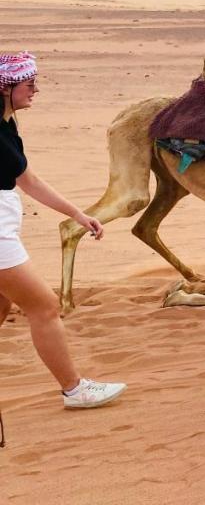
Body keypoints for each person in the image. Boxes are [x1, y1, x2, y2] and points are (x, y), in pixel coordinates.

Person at [0, 51, 126, 409]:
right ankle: (75, 389)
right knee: (44, 306)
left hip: (5, 221)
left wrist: (78, 214)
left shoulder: (7, 125)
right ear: (6, 87)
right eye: (29, 84)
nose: (35, 90)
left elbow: (28, 180)